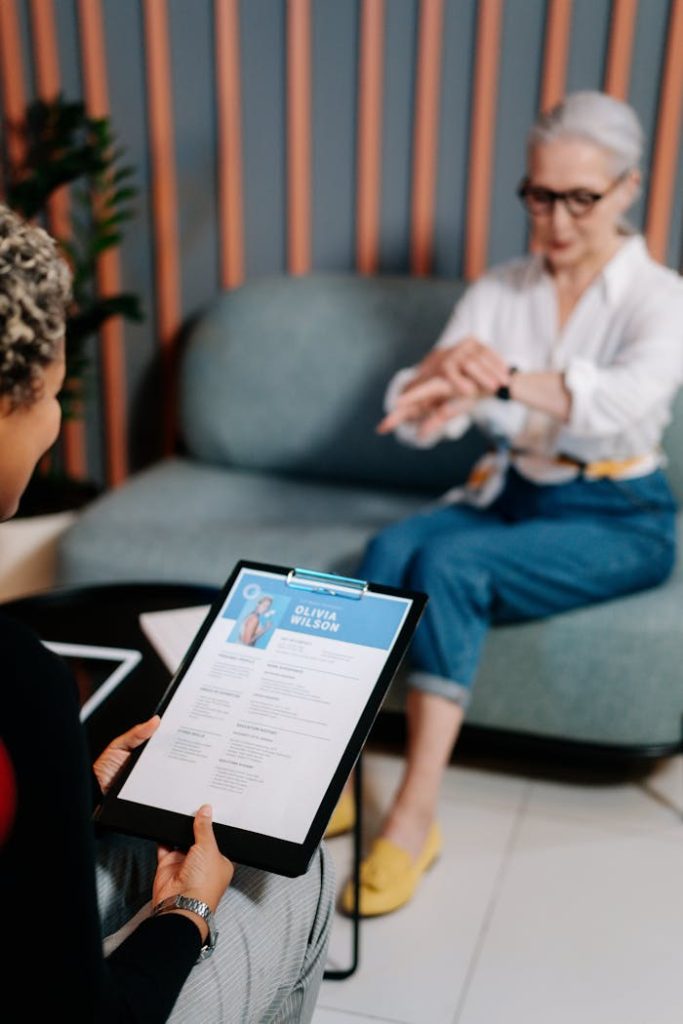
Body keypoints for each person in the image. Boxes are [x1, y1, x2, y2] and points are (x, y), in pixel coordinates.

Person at [336, 91, 683, 918]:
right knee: (387, 551)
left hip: (620, 514)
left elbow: (613, 406)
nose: (555, 219)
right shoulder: (502, 288)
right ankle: (331, 777)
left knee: (450, 565)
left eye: (580, 198)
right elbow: (427, 403)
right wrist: (430, 392)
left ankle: (413, 820)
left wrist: (489, 377)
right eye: (538, 195)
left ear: (627, 190)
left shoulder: (660, 298)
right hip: (512, 491)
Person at [0, 205, 334, 1021]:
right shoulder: (15, 683)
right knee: (288, 871)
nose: (53, 423)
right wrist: (188, 911)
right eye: (49, 394)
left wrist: (62, 794)